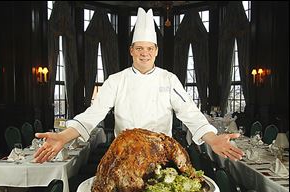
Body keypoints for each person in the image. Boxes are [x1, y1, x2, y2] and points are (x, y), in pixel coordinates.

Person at [34, 7, 244, 163]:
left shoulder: (169, 79)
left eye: (149, 48)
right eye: (140, 48)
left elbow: (191, 114)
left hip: (161, 156)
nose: (145, 53)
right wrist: (63, 136)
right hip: (125, 155)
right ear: (131, 50)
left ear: (156, 51)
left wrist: (213, 139)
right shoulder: (116, 80)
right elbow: (92, 115)